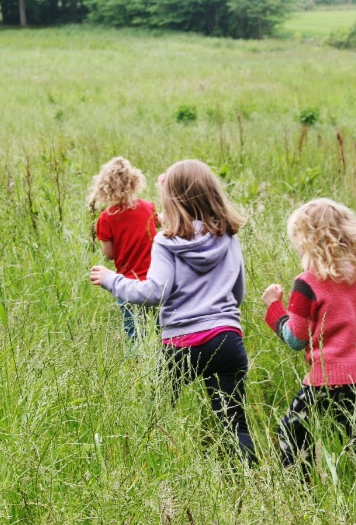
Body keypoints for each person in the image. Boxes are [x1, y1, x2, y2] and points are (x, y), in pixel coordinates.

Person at [90, 160, 255, 464]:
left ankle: (149, 468)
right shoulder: (228, 235)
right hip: (228, 338)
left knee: (156, 416)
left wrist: (112, 280)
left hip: (182, 345)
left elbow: (154, 293)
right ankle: (253, 482)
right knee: (235, 424)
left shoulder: (167, 242)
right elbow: (238, 292)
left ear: (172, 199)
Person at [261, 198, 356, 484]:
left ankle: (301, 496)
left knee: (292, 434)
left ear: (306, 242)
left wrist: (274, 308)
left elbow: (295, 338)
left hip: (327, 382)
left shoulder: (306, 283)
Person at [86, 157, 157, 349]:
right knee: (161, 334)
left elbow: (109, 254)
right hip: (157, 282)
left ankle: (139, 373)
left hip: (127, 285)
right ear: (134, 182)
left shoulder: (106, 218)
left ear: (103, 187)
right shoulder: (148, 207)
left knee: (136, 337)